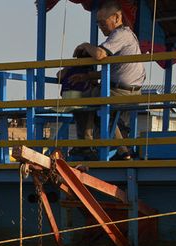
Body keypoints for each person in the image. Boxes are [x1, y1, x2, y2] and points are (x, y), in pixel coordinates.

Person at [62, 0, 145, 160]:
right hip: (128, 91)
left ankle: (84, 147)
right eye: (98, 23)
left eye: (102, 22)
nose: (100, 26)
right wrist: (87, 76)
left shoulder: (120, 34)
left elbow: (100, 55)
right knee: (104, 111)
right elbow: (117, 71)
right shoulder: (126, 36)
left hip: (120, 92)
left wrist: (86, 46)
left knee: (79, 99)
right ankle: (124, 152)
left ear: (117, 17)